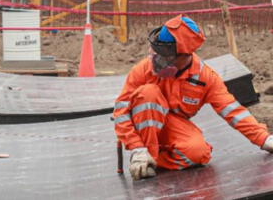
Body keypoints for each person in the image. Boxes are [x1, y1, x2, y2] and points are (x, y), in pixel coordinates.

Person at [113, 14, 273, 180]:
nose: (156, 60)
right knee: (149, 94)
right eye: (156, 52)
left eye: (165, 56)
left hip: (172, 123)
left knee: (198, 153)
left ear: (186, 54)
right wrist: (136, 147)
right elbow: (121, 111)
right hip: (143, 125)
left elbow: (233, 111)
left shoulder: (205, 79)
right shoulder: (144, 69)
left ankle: (153, 160)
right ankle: (143, 157)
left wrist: (264, 139)